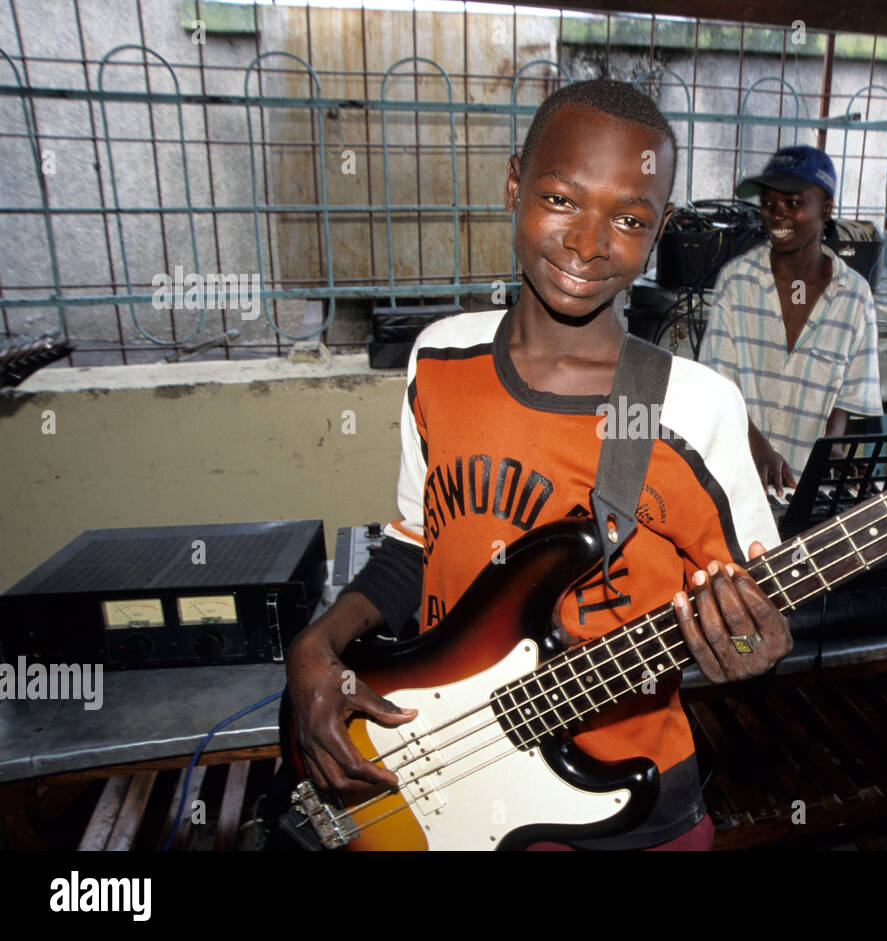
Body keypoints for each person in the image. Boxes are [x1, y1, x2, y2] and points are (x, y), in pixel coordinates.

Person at [284, 79, 791, 851]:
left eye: (629, 218)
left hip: (632, 811)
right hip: (442, 771)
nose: (590, 244)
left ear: (655, 235)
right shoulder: (438, 359)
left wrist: (753, 646)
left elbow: (761, 612)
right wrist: (316, 645)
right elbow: (412, 548)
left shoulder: (694, 407)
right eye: (561, 199)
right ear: (515, 183)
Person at [698, 144, 883, 490]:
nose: (776, 214)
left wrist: (834, 454)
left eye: (793, 203)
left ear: (826, 209)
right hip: (734, 480)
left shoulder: (854, 297)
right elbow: (716, 390)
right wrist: (758, 449)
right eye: (768, 204)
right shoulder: (737, 282)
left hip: (801, 489)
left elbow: (845, 403)